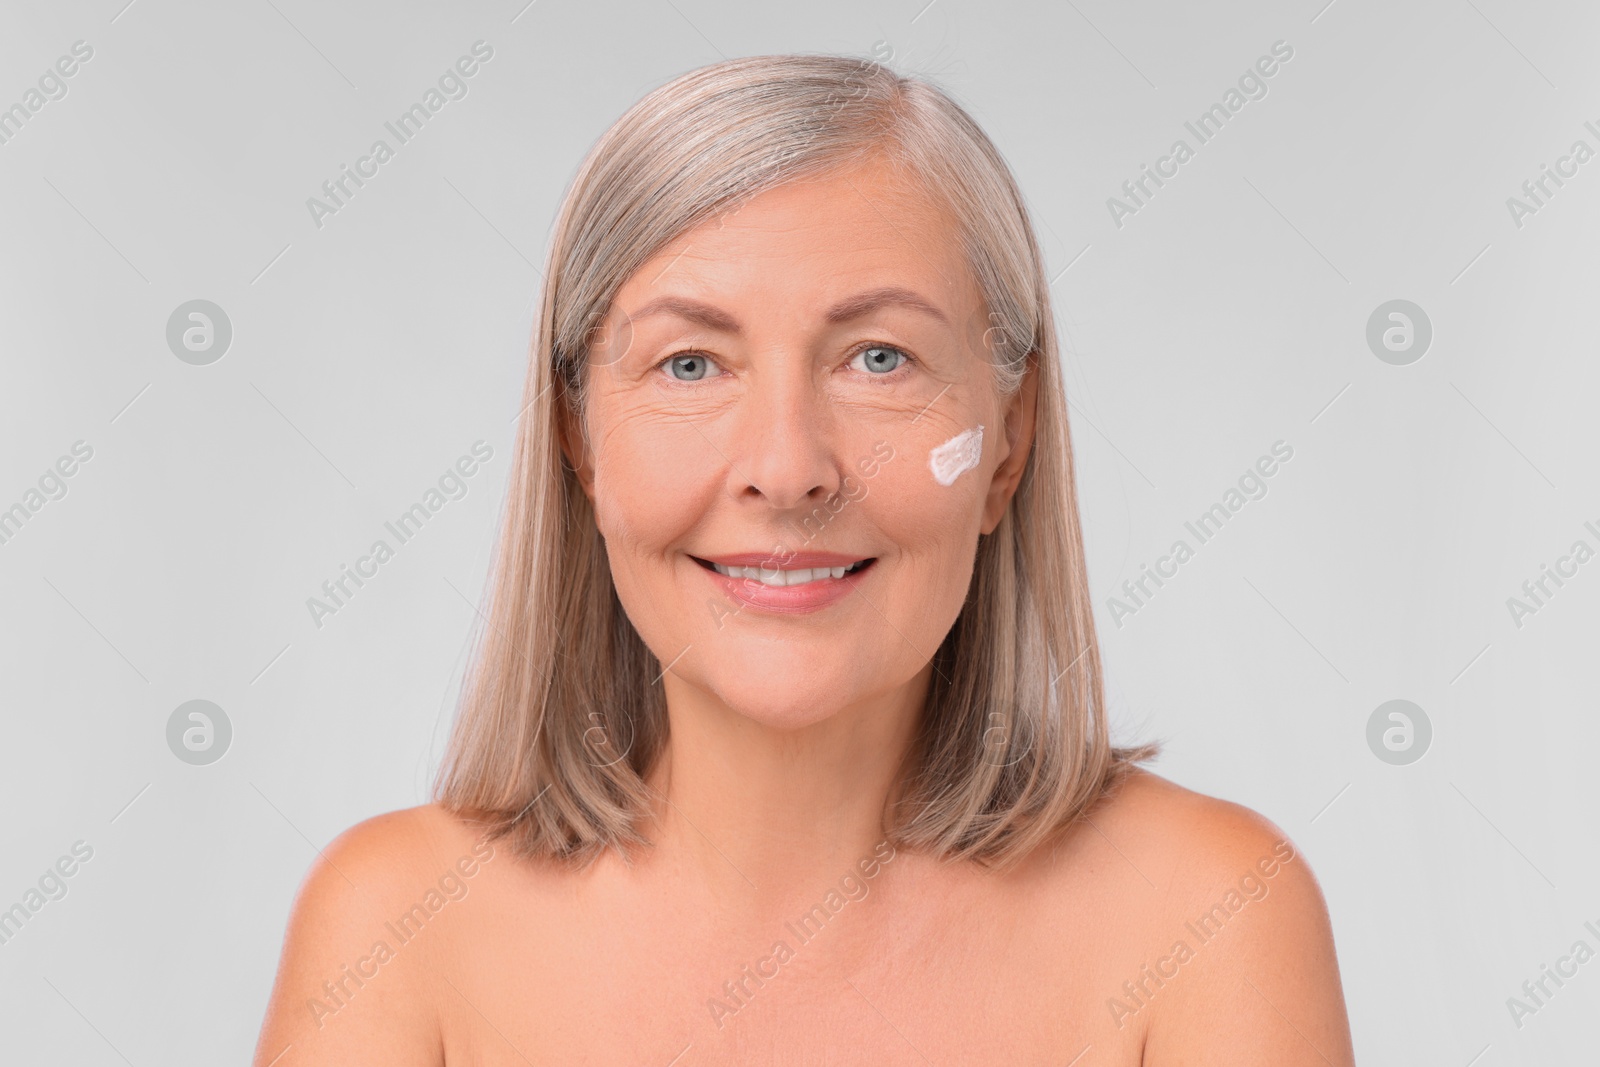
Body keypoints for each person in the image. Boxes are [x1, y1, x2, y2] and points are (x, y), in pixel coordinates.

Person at [254, 53, 1354, 1065]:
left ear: (1008, 442)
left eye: (879, 358)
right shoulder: (395, 926)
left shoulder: (1209, 915)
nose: (787, 469)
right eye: (690, 364)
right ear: (577, 438)